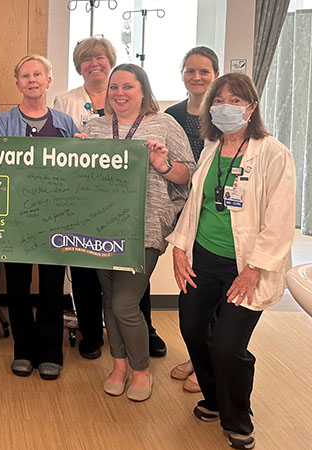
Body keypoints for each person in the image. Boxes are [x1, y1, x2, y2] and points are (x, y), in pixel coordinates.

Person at [169, 73, 295, 450]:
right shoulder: (211, 147)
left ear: (252, 107)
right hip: (202, 257)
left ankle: (237, 417)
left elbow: (280, 219)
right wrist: (179, 247)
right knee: (192, 329)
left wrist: (255, 269)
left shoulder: (273, 153)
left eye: (236, 101)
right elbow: (196, 203)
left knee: (228, 346)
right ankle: (213, 398)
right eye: (219, 100)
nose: (226, 107)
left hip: (245, 265)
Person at [82, 64, 194, 402]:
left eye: (128, 86)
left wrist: (161, 164)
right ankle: (118, 366)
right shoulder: (96, 127)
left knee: (125, 303)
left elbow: (187, 174)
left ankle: (141, 371)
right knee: (109, 300)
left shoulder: (164, 124)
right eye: (114, 87)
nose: (119, 93)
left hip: (144, 227)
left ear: (143, 90)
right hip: (101, 227)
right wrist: (77, 154)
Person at [53, 37, 167, 359]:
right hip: (90, 207)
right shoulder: (66, 101)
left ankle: (143, 334)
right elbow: (64, 151)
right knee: (90, 279)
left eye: (101, 58)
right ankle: (92, 334)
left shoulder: (143, 110)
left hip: (134, 212)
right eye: (87, 60)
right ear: (79, 66)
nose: (94, 64)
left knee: (130, 284)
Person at [0, 55, 78, 379]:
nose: (31, 80)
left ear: (48, 80)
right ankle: (23, 350)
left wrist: (84, 147)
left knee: (53, 286)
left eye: (37, 74)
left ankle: (51, 351)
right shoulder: (4, 122)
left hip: (56, 218)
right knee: (17, 286)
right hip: (16, 218)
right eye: (25, 75)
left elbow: (80, 167)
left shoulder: (66, 123)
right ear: (17, 83)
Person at [165, 46, 220, 394]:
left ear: (214, 75)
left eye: (204, 72)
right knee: (192, 288)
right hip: (185, 208)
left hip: (218, 212)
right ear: (182, 74)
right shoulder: (171, 114)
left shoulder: (225, 113)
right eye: (190, 71)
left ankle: (210, 363)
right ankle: (196, 356)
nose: (197, 78)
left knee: (213, 288)